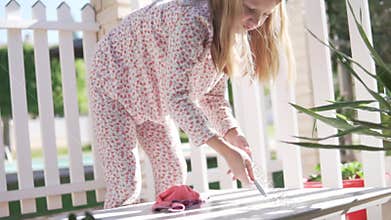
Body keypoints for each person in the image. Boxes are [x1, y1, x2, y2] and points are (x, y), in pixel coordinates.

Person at [88, 0, 294, 209]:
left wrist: (233, 134)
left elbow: (212, 97)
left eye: (266, 15)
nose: (257, 22)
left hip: (152, 98)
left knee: (172, 171)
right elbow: (176, 98)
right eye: (250, 9)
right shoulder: (193, 21)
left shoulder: (228, 31)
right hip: (112, 85)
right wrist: (226, 152)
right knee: (125, 184)